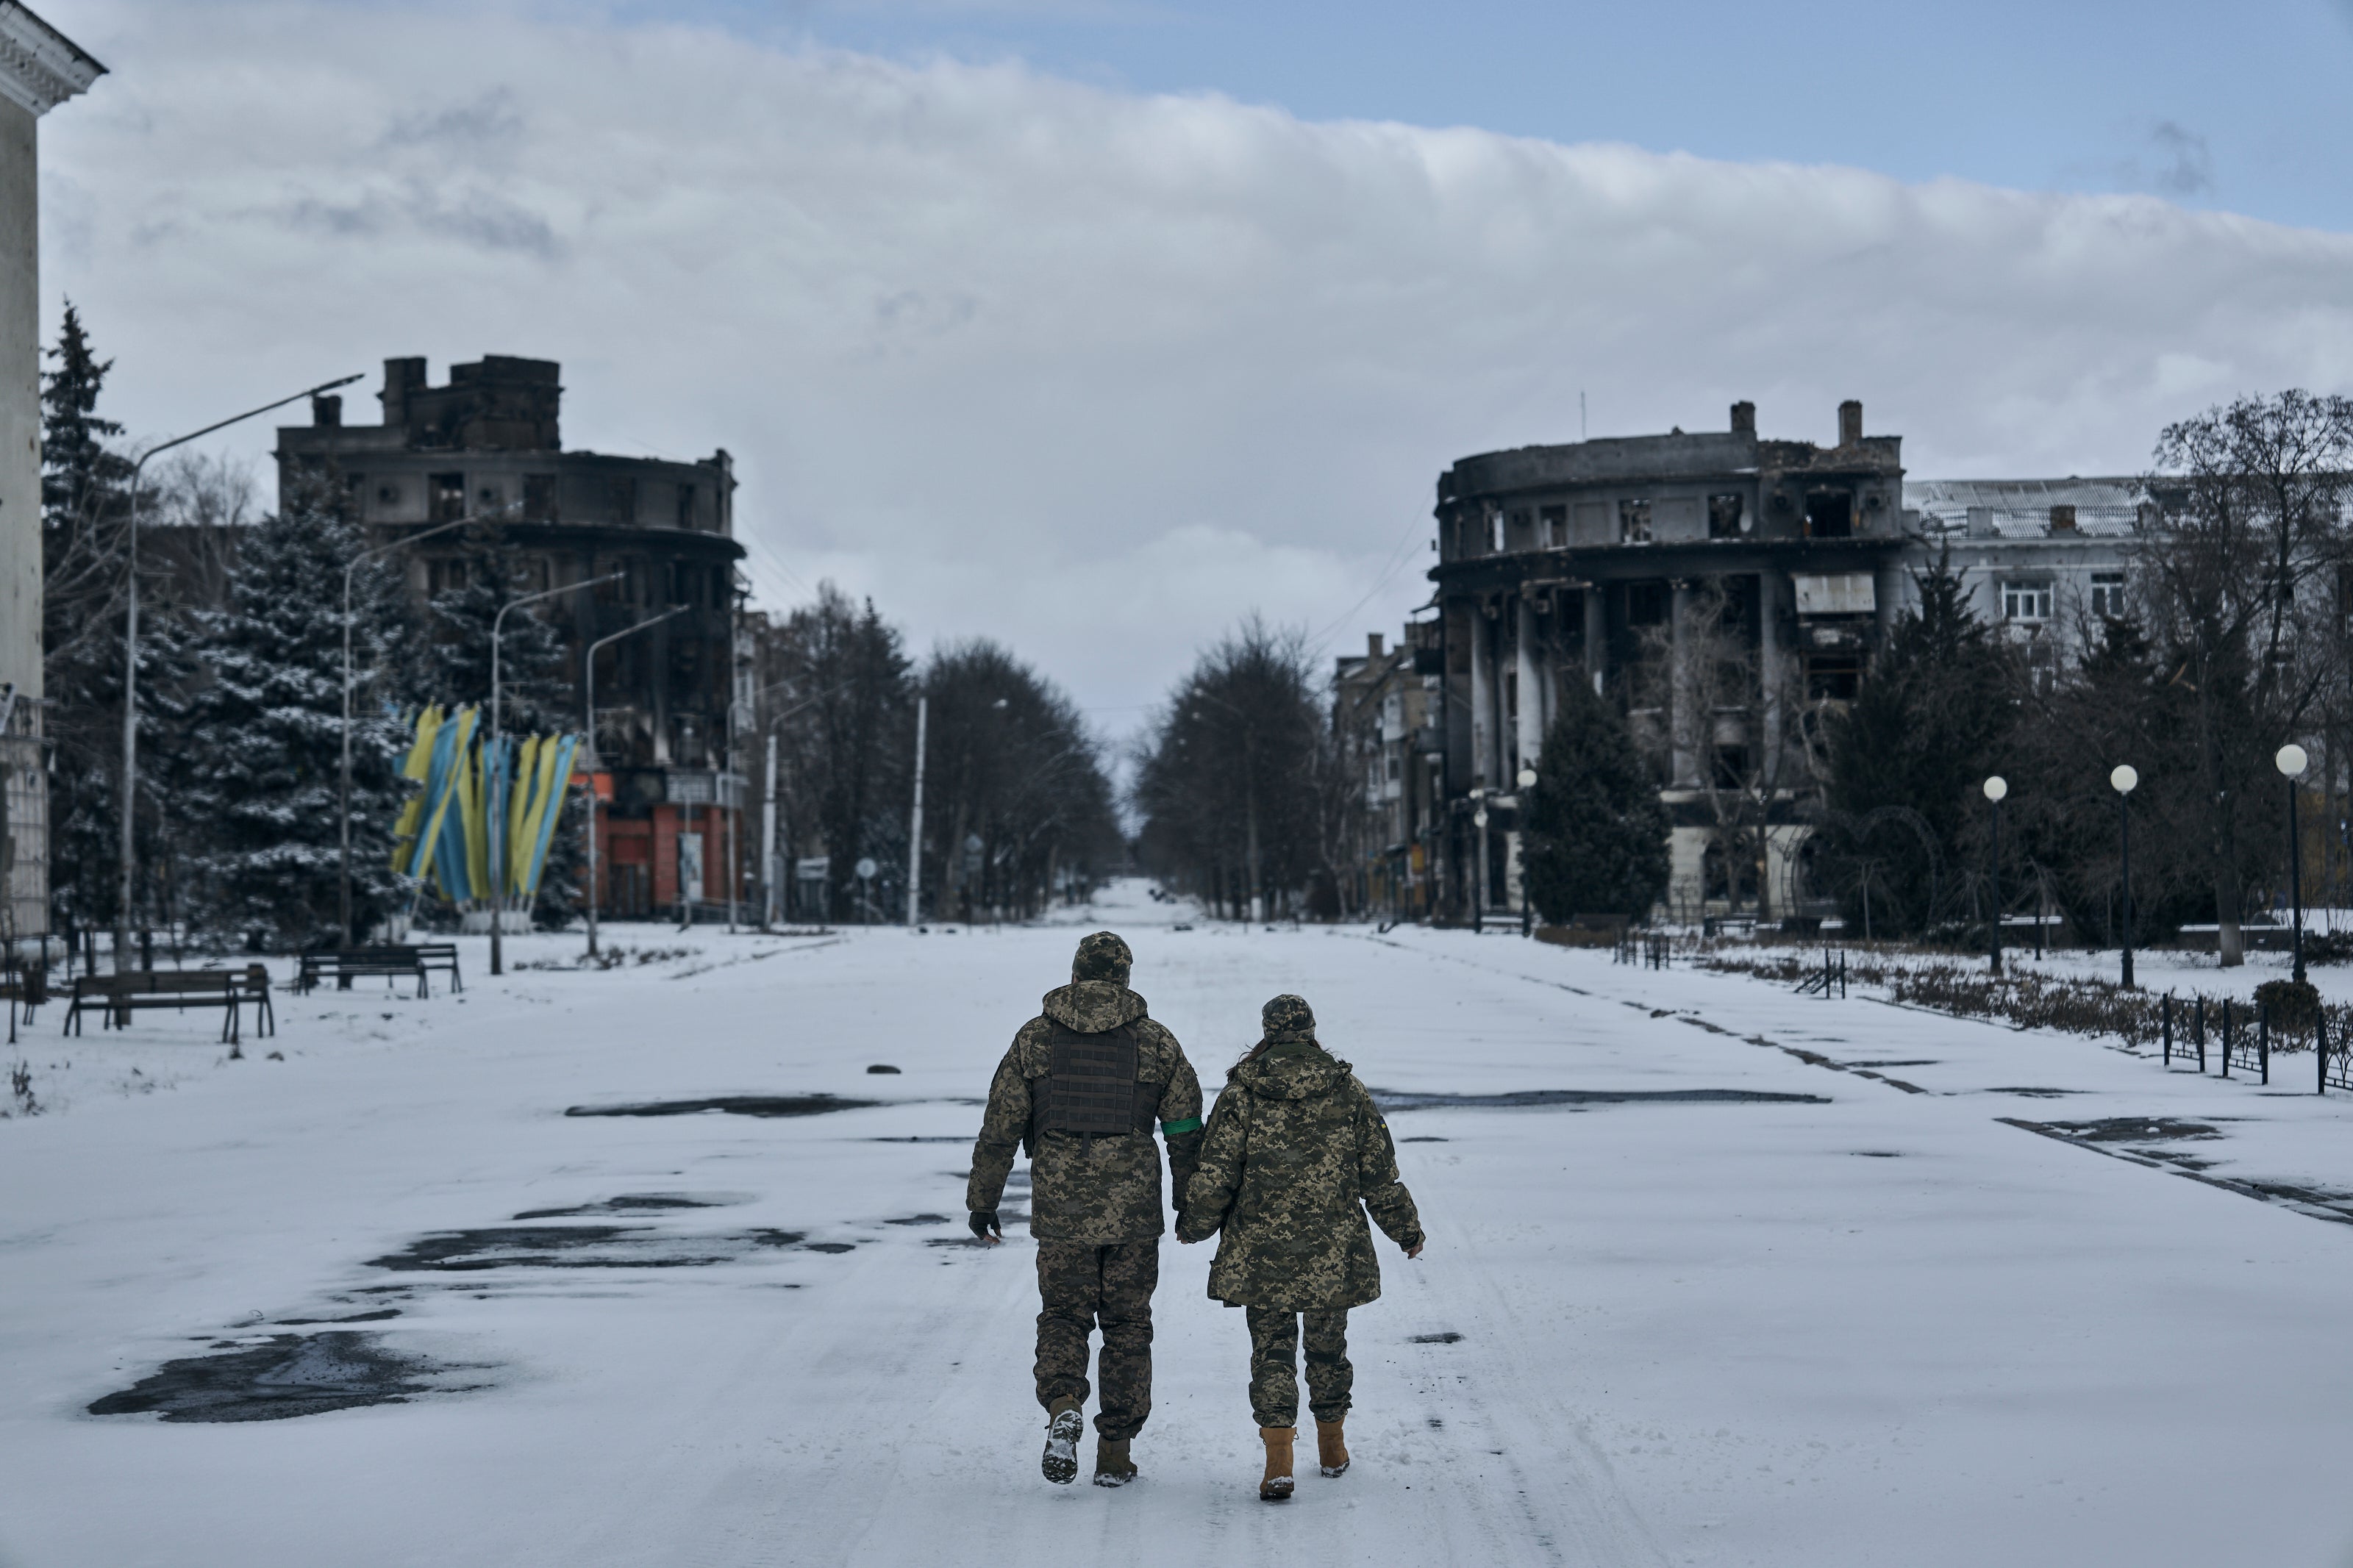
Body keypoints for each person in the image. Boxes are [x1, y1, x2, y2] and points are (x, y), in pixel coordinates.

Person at [967, 931, 1204, 1488]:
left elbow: (1000, 1128)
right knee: (1127, 1325)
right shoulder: (1157, 1042)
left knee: (1064, 1316)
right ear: (1124, 978)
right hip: (1133, 1214)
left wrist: (983, 1199)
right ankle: (1116, 1453)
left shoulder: (1035, 1039)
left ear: (1075, 974)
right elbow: (1187, 1131)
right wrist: (1190, 1203)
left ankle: (1063, 1404)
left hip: (1062, 1210)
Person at [1176, 993, 1424, 1502]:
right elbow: (1379, 1173)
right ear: (1312, 1031)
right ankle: (1332, 1447)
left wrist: (1195, 1224)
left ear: (1268, 1031)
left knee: (1271, 1352)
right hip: (1334, 1252)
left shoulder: (1242, 1092)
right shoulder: (1346, 1090)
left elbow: (1217, 1172)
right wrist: (1407, 1230)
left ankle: (1278, 1461)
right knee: (1329, 1347)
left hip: (1260, 1251)